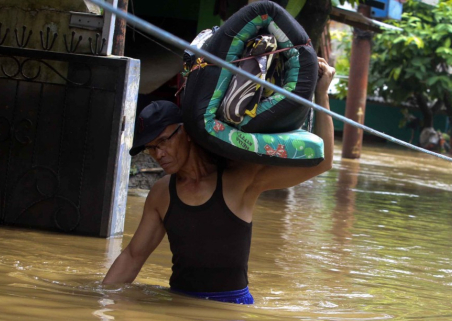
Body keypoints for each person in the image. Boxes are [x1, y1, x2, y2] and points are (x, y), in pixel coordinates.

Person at [102, 58, 335, 304]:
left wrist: (322, 94)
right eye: (150, 148)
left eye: (163, 142)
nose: (158, 154)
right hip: (177, 304)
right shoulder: (162, 193)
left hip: (231, 308)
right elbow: (132, 256)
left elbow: (323, 162)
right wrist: (99, 302)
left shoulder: (240, 179)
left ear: (187, 132)